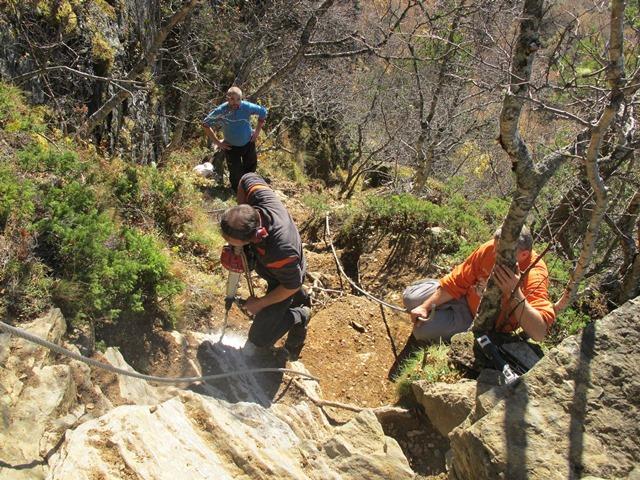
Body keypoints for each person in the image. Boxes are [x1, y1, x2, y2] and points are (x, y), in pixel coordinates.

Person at [389, 226, 555, 378]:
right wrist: (425, 307)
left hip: (474, 321)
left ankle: (444, 322)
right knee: (411, 299)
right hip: (464, 296)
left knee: (422, 331)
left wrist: (515, 292)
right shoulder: (491, 247)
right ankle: (435, 303)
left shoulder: (534, 274)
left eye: (501, 252)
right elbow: (458, 280)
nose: (495, 254)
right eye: (496, 248)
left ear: (523, 255)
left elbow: (539, 333)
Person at [219, 173, 310, 360]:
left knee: (258, 339)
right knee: (282, 282)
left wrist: (260, 304)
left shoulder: (279, 251)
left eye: (232, 241)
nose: (228, 243)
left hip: (286, 278)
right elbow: (246, 178)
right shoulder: (259, 199)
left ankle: (300, 313)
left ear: (253, 237)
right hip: (276, 265)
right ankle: (302, 297)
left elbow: (290, 284)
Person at [202, 87, 268, 192]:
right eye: (232, 99)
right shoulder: (222, 110)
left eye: (238, 99)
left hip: (248, 143)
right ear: (227, 98)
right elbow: (206, 124)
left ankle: (249, 189)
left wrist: (256, 132)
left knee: (251, 168)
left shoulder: (246, 107)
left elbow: (263, 112)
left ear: (241, 99)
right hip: (231, 147)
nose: (235, 102)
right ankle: (237, 193)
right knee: (235, 173)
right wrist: (218, 142)